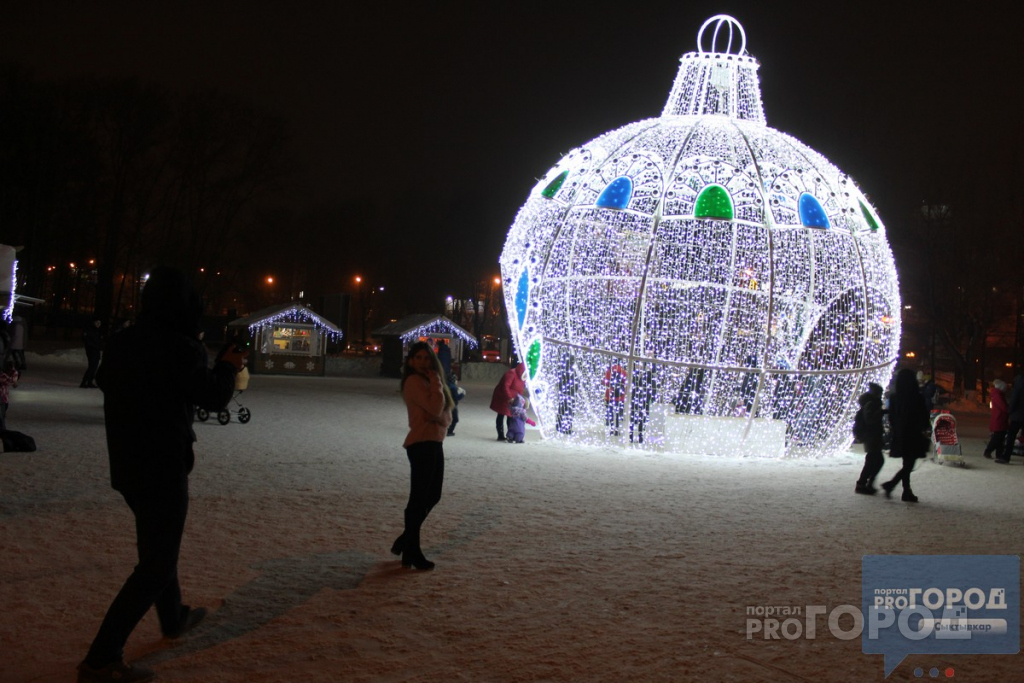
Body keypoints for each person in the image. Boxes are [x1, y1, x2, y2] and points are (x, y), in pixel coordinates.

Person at [78, 267, 245, 683]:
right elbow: (213, 396)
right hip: (163, 466)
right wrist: (227, 366)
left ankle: (173, 617)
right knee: (156, 562)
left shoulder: (124, 341)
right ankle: (100, 660)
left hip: (127, 463)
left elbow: (110, 380)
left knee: (156, 548)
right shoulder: (181, 347)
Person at [391, 342, 453, 571]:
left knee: (433, 495)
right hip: (421, 444)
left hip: (435, 442)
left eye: (427, 358)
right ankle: (412, 550)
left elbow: (446, 416)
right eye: (418, 358)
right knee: (418, 499)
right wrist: (436, 383)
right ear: (410, 361)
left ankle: (406, 543)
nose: (423, 362)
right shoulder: (414, 382)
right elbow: (436, 409)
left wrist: (438, 415)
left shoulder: (430, 382)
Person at [880, 368, 931, 502]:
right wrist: (924, 427)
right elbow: (923, 416)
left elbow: (891, 417)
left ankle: (905, 490)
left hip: (900, 435)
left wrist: (896, 429)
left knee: (906, 463)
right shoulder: (917, 397)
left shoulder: (894, 397)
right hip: (913, 435)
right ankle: (893, 485)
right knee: (909, 464)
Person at [854, 382, 885, 494]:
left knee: (875, 460)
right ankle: (862, 483)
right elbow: (870, 420)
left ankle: (866, 483)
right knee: (874, 460)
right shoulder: (871, 404)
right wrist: (881, 412)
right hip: (871, 435)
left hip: (871, 435)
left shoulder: (871, 403)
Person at [490, 361, 526, 441]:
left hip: (513, 399)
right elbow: (505, 386)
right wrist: (509, 398)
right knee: (501, 414)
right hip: (503, 396)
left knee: (511, 416)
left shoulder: (523, 378)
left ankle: (510, 434)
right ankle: (500, 434)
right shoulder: (511, 373)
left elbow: (520, 390)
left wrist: (520, 401)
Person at [997, 372, 1024, 464]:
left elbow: (1014, 399)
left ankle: (1006, 456)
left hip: (1018, 415)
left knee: (1011, 436)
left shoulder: (1019, 384)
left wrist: (1010, 411)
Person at [983, 379, 1009, 459]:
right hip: (1000, 419)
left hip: (999, 418)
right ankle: (989, 451)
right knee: (998, 437)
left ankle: (998, 453)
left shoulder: (996, 395)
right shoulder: (998, 396)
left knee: (999, 438)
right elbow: (1004, 407)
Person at [603, 361, 627, 436]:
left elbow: (605, 382)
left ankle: (611, 428)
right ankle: (617, 429)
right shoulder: (623, 371)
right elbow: (626, 383)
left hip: (609, 395)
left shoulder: (609, 371)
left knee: (611, 413)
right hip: (620, 396)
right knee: (617, 413)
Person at [80, 319, 103, 388]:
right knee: (92, 367)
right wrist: (95, 346)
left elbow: (100, 341)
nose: (98, 324)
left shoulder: (98, 331)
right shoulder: (90, 330)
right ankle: (84, 382)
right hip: (91, 350)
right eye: (97, 322)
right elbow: (86, 340)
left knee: (94, 367)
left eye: (99, 323)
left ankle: (89, 382)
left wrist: (100, 346)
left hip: (96, 350)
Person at [0, 358, 19, 431]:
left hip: (4, 397)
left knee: (2, 415)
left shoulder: (12, 373)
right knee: (1, 417)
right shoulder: (3, 375)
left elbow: (15, 384)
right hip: (2, 397)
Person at [446, 369, 465, 436]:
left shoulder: (446, 385)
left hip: (446, 404)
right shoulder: (454, 388)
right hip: (453, 405)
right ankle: (449, 431)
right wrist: (462, 394)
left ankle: (446, 429)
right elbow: (456, 398)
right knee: (455, 419)